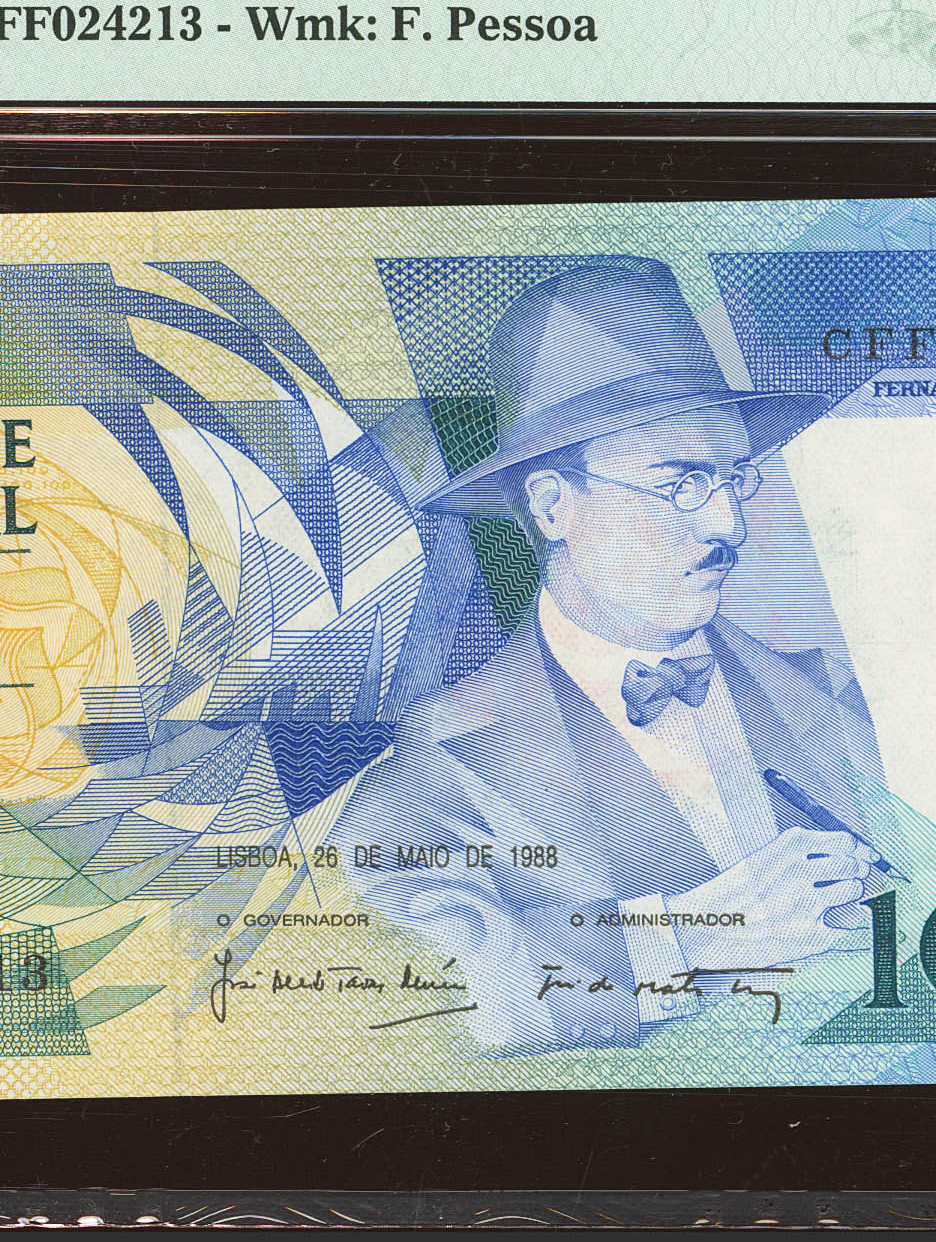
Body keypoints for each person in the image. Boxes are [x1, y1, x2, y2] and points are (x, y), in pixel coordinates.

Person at [337, 258, 888, 1053]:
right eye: (681, 483)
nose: (728, 525)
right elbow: (398, 1004)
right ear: (553, 506)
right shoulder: (434, 769)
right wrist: (685, 943)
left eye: (734, 479)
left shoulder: (833, 695)